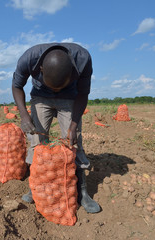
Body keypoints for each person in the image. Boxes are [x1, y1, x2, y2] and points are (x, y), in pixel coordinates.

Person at [12, 42, 100, 213]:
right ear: (41, 70)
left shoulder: (82, 59)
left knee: (73, 142)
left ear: (72, 73)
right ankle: (35, 185)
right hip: (40, 97)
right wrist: (24, 116)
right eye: (54, 86)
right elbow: (17, 86)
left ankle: (82, 192)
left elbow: (83, 93)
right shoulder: (29, 58)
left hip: (70, 98)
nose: (56, 90)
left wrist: (74, 125)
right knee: (37, 140)